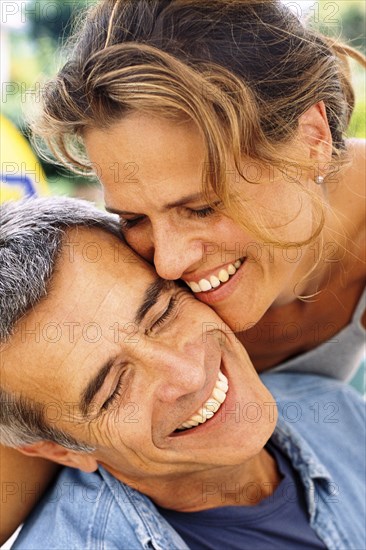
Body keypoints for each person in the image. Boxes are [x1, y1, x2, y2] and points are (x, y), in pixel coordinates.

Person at [2, 0, 366, 541]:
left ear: (313, 138)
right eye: (131, 216)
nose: (168, 262)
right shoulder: (84, 314)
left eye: (202, 207)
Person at [0, 197, 365, 550]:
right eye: (114, 388)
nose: (189, 375)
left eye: (163, 314)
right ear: (59, 450)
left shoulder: (331, 406)